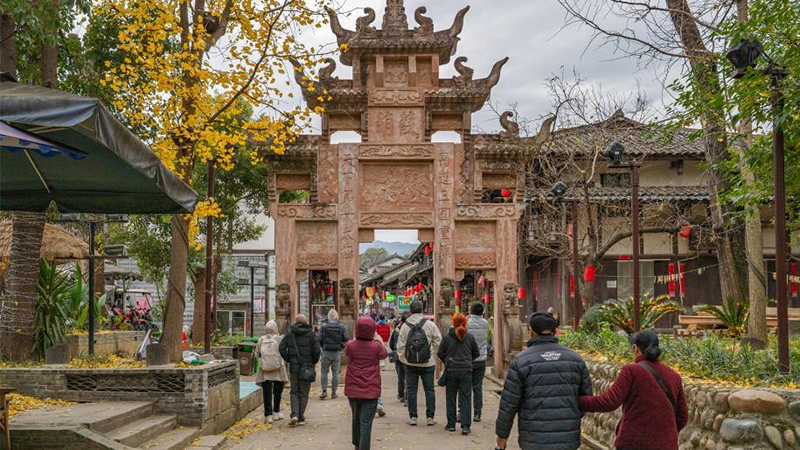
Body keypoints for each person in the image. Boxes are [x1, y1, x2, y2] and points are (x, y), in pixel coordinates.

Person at [495, 311, 592, 450]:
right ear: (555, 331)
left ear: (531, 331)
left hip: (534, 437)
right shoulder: (575, 359)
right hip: (567, 436)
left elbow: (509, 404)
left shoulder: (521, 361)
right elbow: (586, 398)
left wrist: (502, 435)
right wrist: (570, 414)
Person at [579, 330, 689, 450]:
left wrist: (578, 401)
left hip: (634, 443)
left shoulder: (631, 371)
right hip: (667, 445)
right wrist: (664, 434)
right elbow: (682, 416)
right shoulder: (674, 375)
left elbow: (609, 402)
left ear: (635, 348)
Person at [345, 315, 389, 450]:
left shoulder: (350, 345)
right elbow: (385, 354)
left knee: (356, 418)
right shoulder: (376, 346)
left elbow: (347, 353)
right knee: (366, 422)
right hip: (371, 389)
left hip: (353, 389)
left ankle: (357, 444)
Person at [397, 300, 442, 426]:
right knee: (429, 390)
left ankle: (413, 417)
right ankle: (430, 417)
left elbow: (400, 346)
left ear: (410, 311)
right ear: (422, 310)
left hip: (410, 364)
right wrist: (433, 355)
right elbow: (439, 342)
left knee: (411, 390)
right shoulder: (430, 324)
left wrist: (404, 360)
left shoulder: (405, 326)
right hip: (428, 363)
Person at [437, 312, 479, 435]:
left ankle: (451, 425)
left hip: (451, 370)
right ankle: (465, 426)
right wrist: (467, 360)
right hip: (466, 370)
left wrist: (448, 361)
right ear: (465, 323)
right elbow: (476, 353)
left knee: (451, 398)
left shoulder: (447, 337)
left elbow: (440, 353)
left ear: (453, 323)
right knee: (465, 398)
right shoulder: (470, 337)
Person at [279, 314, 321, 427]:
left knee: (294, 391)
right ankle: (301, 417)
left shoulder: (290, 335)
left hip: (294, 368)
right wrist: (312, 363)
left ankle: (294, 415)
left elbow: (281, 348)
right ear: (305, 322)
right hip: (306, 368)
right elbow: (317, 351)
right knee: (304, 393)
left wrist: (289, 358)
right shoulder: (311, 335)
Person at [254, 320, 289, 424]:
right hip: (278, 369)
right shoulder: (279, 339)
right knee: (278, 391)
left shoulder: (261, 339)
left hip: (265, 370)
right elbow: (284, 351)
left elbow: (257, 353)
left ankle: (268, 415)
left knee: (267, 393)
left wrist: (261, 363)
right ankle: (276, 412)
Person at [317, 309, 348, 400]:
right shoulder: (341, 327)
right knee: (335, 373)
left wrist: (323, 347)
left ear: (328, 317)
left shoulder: (323, 326)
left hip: (326, 351)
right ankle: (334, 392)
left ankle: (324, 390)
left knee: (324, 372)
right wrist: (341, 346)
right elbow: (346, 338)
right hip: (336, 352)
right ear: (336, 317)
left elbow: (318, 338)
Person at [466, 302, 489, 422]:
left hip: (468, 359)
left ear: (470, 311)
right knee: (477, 387)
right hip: (481, 359)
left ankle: (463, 412)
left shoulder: (467, 324)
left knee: (465, 388)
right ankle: (477, 413)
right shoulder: (485, 323)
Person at [389, 312, 409, 404]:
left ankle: (400, 394)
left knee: (400, 376)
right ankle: (407, 396)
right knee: (408, 377)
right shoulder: (412, 330)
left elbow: (391, 344)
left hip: (398, 355)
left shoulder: (396, 330)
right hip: (409, 356)